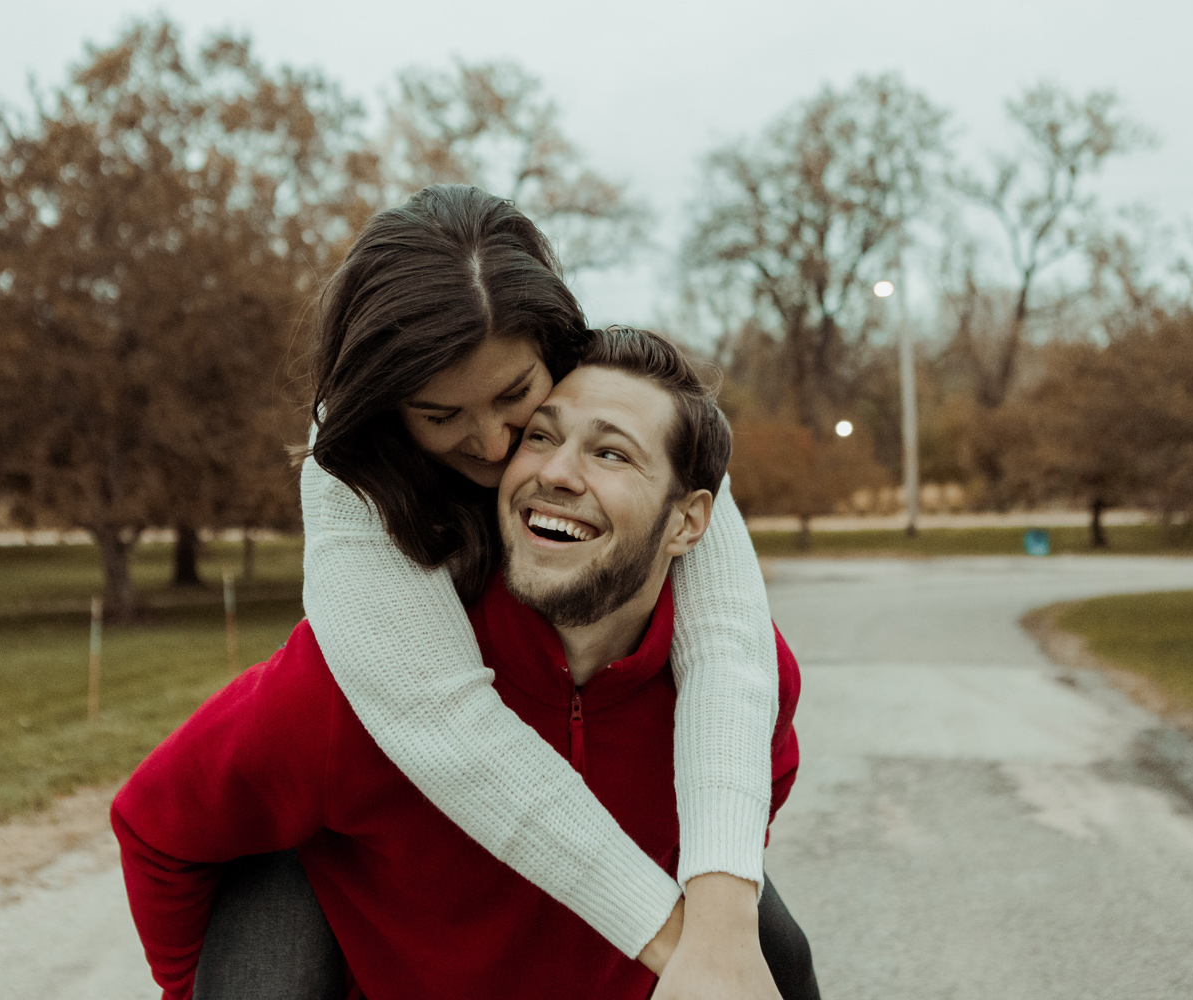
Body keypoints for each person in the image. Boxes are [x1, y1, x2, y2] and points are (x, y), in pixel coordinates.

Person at [151, 185, 819, 998]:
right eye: (443, 414)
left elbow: (728, 650)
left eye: (517, 401)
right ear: (393, 412)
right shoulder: (352, 493)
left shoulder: (621, 415)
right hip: (397, 810)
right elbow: (451, 733)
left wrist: (720, 925)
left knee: (767, 943)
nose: (499, 444)